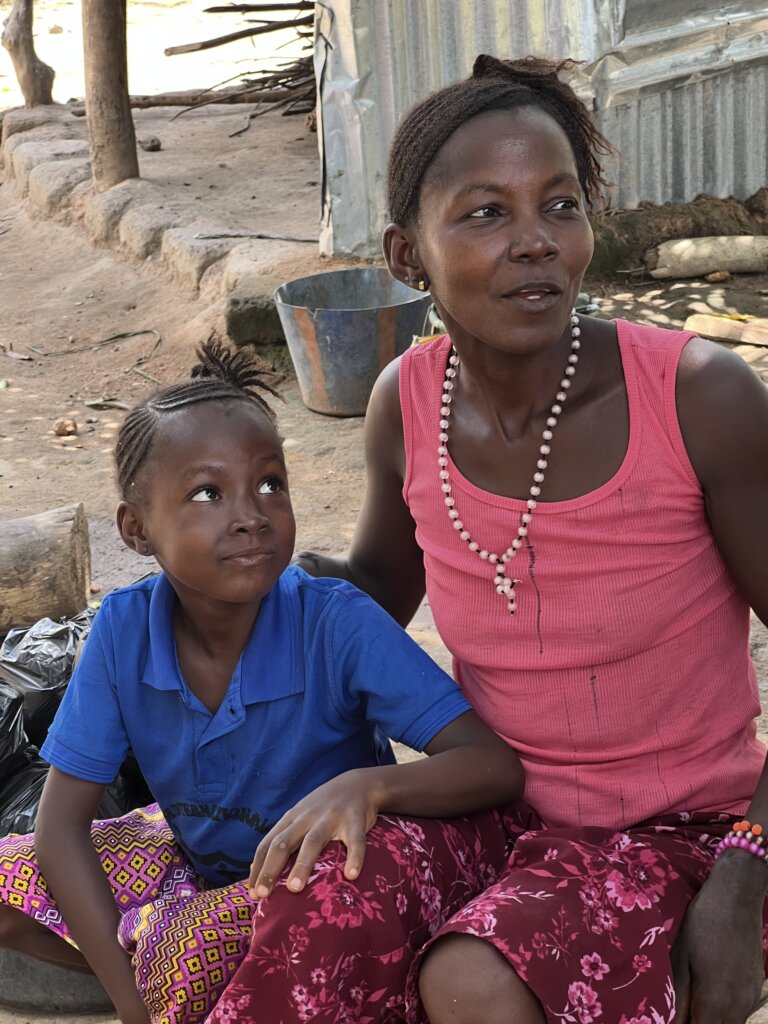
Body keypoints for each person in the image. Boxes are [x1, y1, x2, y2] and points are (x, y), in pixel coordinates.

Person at [292, 54, 768, 1024]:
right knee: (302, 908)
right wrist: (249, 592)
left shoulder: (699, 397)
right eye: (485, 213)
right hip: (492, 805)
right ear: (405, 254)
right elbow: (378, 591)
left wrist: (745, 875)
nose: (535, 243)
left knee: (467, 980)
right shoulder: (406, 402)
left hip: (687, 829)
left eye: (558, 206)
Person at [0, 341, 525, 1024]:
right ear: (137, 532)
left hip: (332, 885)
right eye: (207, 494)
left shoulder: (333, 621)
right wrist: (133, 1005)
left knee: (226, 936)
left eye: (270, 484)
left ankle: (224, 977)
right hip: (216, 879)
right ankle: (191, 982)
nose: (250, 514)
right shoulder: (125, 631)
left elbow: (492, 766)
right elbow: (60, 829)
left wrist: (369, 785)